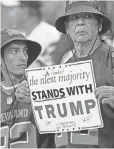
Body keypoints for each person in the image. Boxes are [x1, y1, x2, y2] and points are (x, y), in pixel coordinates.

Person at [15, 0, 114, 148]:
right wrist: (31, 97)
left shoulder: (111, 58)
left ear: (99, 25)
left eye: (87, 16)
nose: (80, 22)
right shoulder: (63, 69)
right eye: (74, 18)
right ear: (67, 28)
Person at [0, 28, 55, 148]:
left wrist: (38, 102)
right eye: (14, 51)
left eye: (25, 51)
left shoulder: (43, 86)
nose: (23, 57)